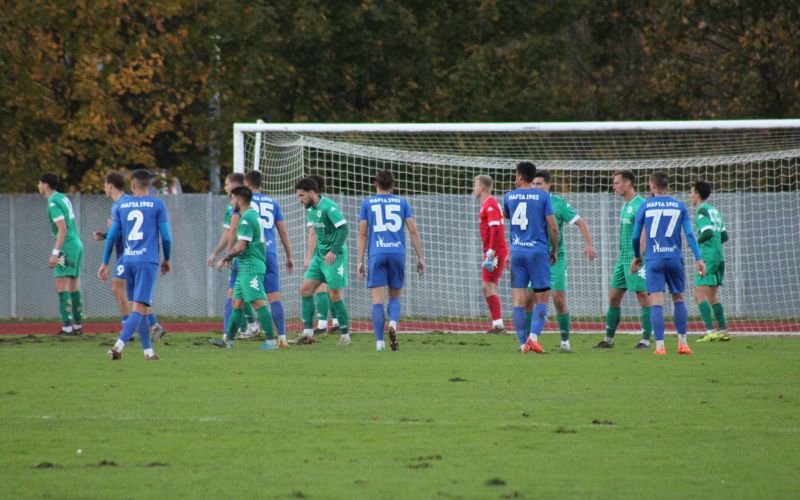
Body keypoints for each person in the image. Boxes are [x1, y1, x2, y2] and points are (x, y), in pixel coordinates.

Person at [630, 171, 706, 355]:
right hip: (674, 259)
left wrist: (637, 256)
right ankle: (682, 344)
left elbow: (635, 237)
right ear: (667, 186)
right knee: (678, 298)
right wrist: (699, 259)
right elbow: (689, 234)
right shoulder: (679, 205)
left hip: (654, 259)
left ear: (652, 185)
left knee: (656, 301)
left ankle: (660, 347)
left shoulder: (645, 206)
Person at [99, 169, 172, 360]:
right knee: (139, 308)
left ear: (132, 185)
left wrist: (105, 262)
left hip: (128, 259)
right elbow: (166, 237)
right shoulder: (157, 204)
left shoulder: (121, 206)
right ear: (149, 185)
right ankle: (117, 347)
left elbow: (112, 236)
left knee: (139, 308)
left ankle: (148, 352)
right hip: (146, 261)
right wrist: (167, 258)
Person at [528, 170, 596, 353]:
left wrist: (588, 244)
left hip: (555, 259)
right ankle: (528, 341)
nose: (535, 187)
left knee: (558, 299)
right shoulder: (529, 202)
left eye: (539, 183)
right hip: (534, 258)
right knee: (528, 299)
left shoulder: (557, 203)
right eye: (533, 183)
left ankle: (565, 341)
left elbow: (581, 222)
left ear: (548, 185)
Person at [357, 170, 425, 351]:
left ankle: (379, 344)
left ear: (375, 183)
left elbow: (362, 234)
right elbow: (413, 231)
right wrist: (420, 257)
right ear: (393, 185)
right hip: (397, 253)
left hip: (377, 253)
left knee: (377, 300)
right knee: (395, 296)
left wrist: (360, 261)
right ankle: (393, 322)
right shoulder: (402, 202)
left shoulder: (367, 203)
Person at [209, 187, 280, 350]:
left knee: (258, 302)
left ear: (240, 200)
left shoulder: (247, 218)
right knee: (237, 302)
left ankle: (271, 342)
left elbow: (241, 246)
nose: (231, 202)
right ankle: (228, 341)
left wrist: (225, 258)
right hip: (245, 266)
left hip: (251, 266)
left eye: (233, 198)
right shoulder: (252, 214)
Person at [503, 161, 559, 354]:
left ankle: (522, 344)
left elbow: (508, 216)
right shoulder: (543, 196)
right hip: (537, 252)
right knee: (541, 299)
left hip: (517, 252)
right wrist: (554, 250)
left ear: (519, 176)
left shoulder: (508, 196)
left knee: (518, 301)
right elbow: (553, 227)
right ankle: (533, 339)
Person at [596, 170, 653, 349]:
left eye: (617, 183)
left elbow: (645, 233)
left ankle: (645, 340)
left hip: (637, 258)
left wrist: (638, 256)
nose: (614, 187)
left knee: (643, 296)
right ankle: (608, 340)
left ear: (628, 183)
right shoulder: (625, 205)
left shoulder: (641, 204)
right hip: (622, 259)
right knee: (614, 297)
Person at [295, 177, 351, 345]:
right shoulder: (310, 209)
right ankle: (307, 333)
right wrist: (311, 257)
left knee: (334, 295)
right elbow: (314, 234)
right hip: (319, 257)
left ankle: (345, 336)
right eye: (298, 196)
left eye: (301, 195)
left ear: (312, 193)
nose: (299, 199)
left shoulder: (329, 207)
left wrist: (333, 250)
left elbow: (344, 229)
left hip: (335, 257)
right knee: (305, 290)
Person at [244, 170, 293, 347]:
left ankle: (257, 333)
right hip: (270, 252)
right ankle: (282, 337)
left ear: (247, 184)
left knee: (247, 295)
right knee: (274, 297)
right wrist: (289, 255)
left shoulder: (244, 202)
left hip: (251, 253)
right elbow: (283, 231)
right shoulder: (273, 202)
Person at [207, 173, 259, 339]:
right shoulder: (250, 206)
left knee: (238, 295)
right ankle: (248, 327)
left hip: (243, 255)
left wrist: (227, 255)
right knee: (241, 294)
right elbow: (229, 231)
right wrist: (217, 252)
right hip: (252, 254)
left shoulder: (237, 208)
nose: (225, 188)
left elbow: (233, 230)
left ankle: (230, 333)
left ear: (235, 186)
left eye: (226, 184)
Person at [38, 173, 84, 336]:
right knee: (73, 286)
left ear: (45, 185)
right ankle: (77, 326)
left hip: (66, 246)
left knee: (61, 286)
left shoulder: (53, 202)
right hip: (76, 244)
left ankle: (67, 328)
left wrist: (55, 253)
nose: (38, 186)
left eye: (39, 183)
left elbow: (62, 229)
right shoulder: (63, 198)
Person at [691, 181, 730, 342]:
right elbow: (724, 236)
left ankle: (710, 331)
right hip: (719, 257)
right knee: (712, 296)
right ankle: (723, 331)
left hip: (708, 258)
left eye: (692, 192)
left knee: (699, 295)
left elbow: (707, 232)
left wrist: (695, 241)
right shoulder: (714, 211)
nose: (690, 196)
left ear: (697, 194)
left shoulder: (701, 211)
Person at [303, 174, 340, 335]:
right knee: (333, 288)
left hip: (323, 252)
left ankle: (322, 324)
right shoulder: (329, 205)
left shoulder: (316, 208)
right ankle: (337, 322)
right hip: (334, 251)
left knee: (321, 288)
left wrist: (309, 258)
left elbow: (313, 234)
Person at [473, 174, 508, 334]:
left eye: (475, 185)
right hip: (492, 250)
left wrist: (491, 252)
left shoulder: (490, 204)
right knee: (489, 285)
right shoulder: (487, 204)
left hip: (495, 250)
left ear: (482, 187)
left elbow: (495, 229)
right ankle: (497, 324)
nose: (474, 188)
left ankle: (498, 325)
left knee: (488, 285)